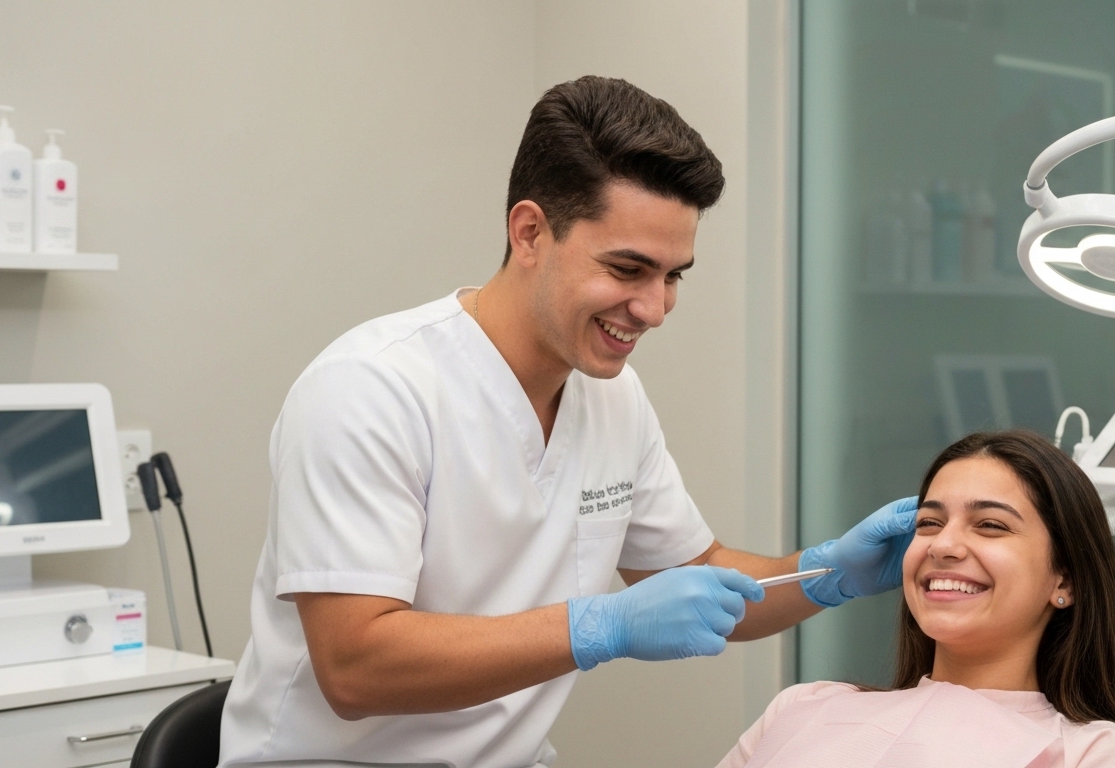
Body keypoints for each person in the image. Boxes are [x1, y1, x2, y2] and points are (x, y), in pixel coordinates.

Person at [218, 76, 917, 768]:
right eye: (628, 269)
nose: (654, 308)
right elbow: (354, 667)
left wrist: (826, 575)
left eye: (674, 275)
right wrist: (599, 627)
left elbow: (699, 573)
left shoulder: (612, 398)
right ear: (529, 232)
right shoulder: (370, 390)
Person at [717, 430, 1115, 768]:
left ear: (1067, 581)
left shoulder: (1100, 756)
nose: (942, 546)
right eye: (929, 523)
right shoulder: (803, 706)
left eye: (991, 525)